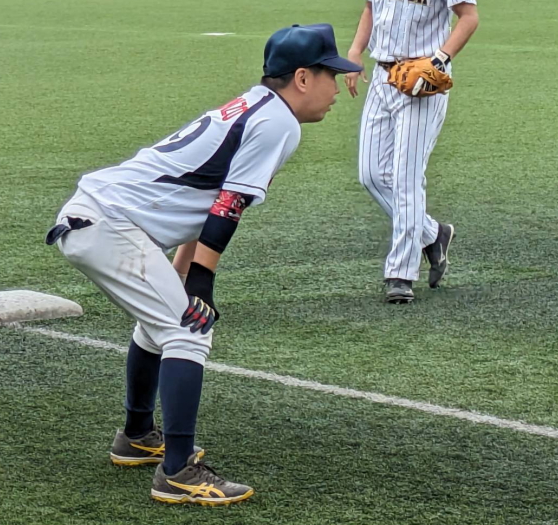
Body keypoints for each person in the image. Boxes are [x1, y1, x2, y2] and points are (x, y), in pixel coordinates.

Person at [45, 23, 361, 505]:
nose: (335, 87)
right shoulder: (279, 122)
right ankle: (177, 473)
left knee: (161, 323)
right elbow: (227, 204)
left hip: (99, 217)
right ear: (302, 78)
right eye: (329, 75)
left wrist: (181, 271)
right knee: (189, 330)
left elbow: (206, 195)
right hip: (109, 224)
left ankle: (137, 436)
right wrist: (201, 280)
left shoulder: (256, 106)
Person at [345, 0, 480, 303]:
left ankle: (401, 273)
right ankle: (433, 234)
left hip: (421, 81)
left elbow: (469, 17)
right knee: (371, 175)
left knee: (406, 178)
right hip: (381, 78)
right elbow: (370, 8)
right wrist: (355, 50)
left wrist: (440, 60)